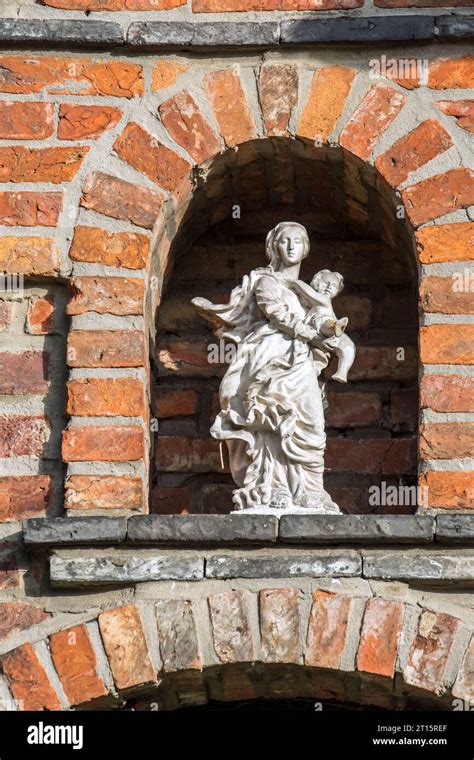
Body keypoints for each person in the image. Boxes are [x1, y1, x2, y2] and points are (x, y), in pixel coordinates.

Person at [192, 221, 343, 513]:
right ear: (274, 246)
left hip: (299, 360)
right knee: (268, 419)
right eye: (284, 241)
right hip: (268, 356)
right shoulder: (266, 281)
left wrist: (327, 332)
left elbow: (319, 318)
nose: (290, 246)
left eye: (297, 241)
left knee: (310, 420)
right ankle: (271, 488)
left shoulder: (308, 291)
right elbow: (277, 315)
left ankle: (310, 490)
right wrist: (313, 336)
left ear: (305, 249)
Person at [290, 269, 356, 384]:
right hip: (318, 322)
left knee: (349, 346)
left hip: (327, 326)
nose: (329, 287)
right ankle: (335, 327)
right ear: (316, 282)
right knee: (326, 323)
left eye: (334, 286)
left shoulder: (327, 303)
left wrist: (294, 282)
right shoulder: (322, 299)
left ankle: (342, 372)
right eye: (326, 283)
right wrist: (295, 282)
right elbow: (308, 292)